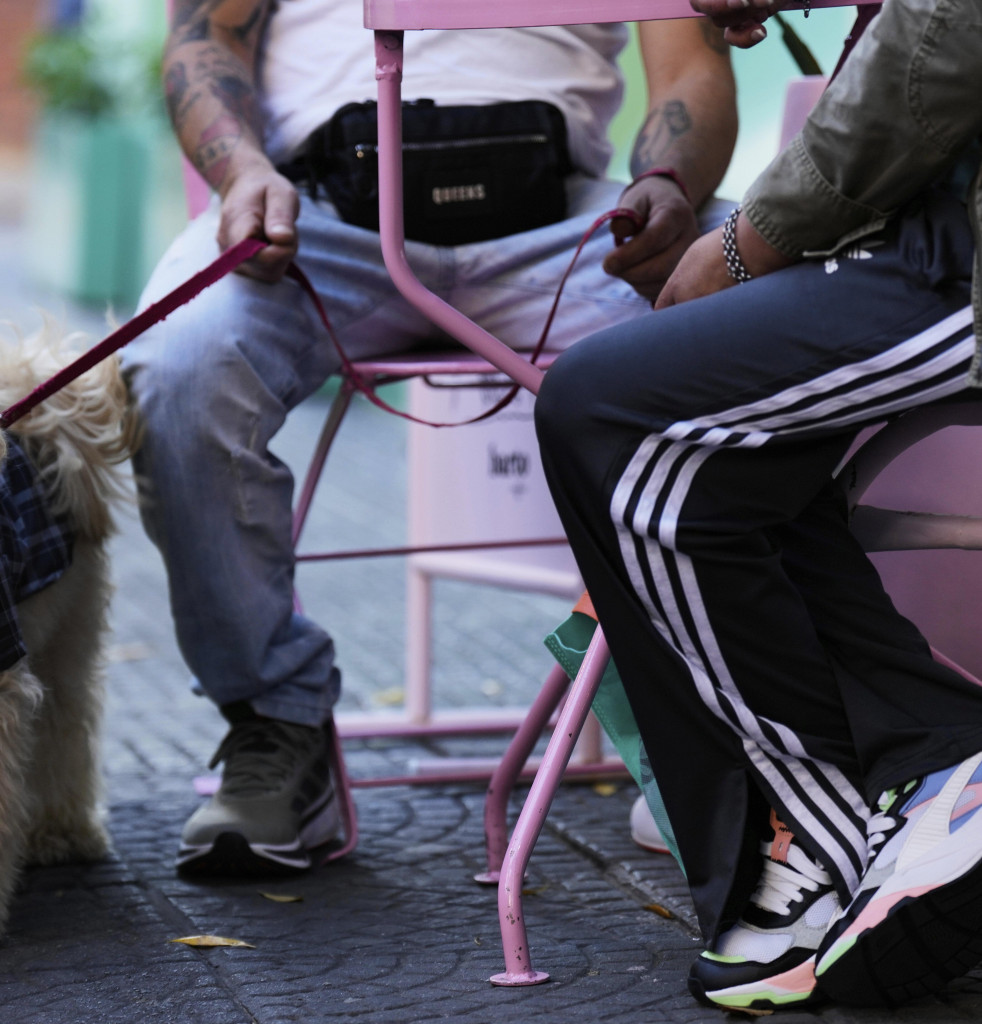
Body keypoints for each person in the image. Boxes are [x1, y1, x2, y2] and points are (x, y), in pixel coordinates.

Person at [122, 0, 737, 877]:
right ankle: (275, 724)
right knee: (179, 367)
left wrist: (670, 182)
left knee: (756, 310)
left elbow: (692, 66)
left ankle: (700, 721)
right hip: (317, 219)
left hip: (570, 226)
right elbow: (202, 36)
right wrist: (242, 171)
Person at [535, 0, 982, 1010]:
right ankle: (932, 758)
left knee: (613, 414)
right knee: (680, 435)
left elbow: (946, 29)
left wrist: (749, 241)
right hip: (925, 230)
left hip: (952, 252)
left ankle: (819, 833)